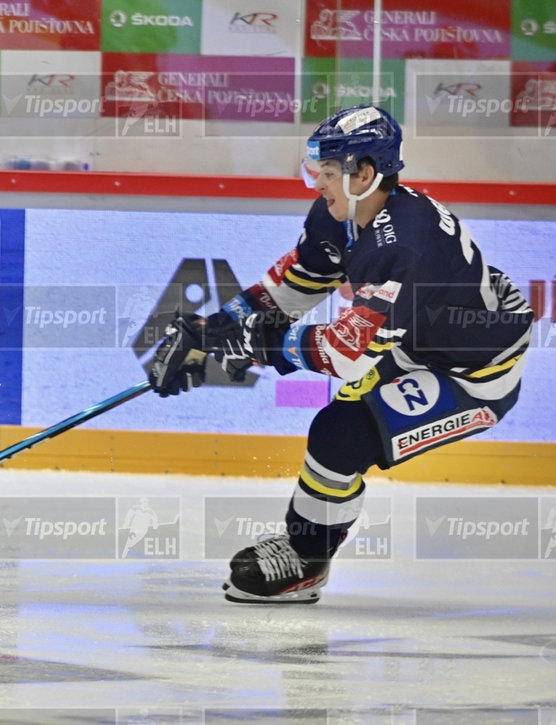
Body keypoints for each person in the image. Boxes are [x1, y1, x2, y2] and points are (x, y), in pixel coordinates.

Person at [147, 105, 532, 604]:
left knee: (340, 434)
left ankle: (306, 561)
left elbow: (345, 353)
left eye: (328, 174)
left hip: (475, 372)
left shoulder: (406, 245)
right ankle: (305, 547)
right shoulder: (341, 212)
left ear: (365, 174)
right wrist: (212, 330)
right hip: (420, 344)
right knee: (334, 431)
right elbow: (294, 286)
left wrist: (237, 346)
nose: (318, 184)